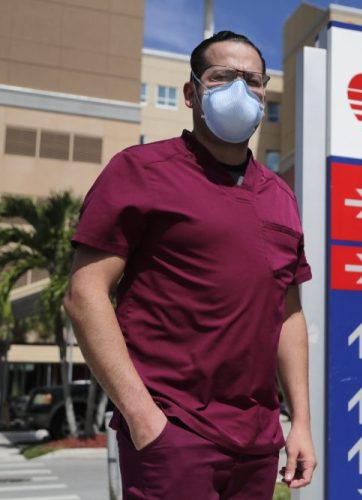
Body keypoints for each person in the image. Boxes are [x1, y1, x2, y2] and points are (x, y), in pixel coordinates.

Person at [63, 31, 316, 499]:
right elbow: (85, 295)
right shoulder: (140, 171)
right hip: (174, 431)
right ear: (191, 92)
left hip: (259, 440)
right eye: (222, 77)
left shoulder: (280, 196)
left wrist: (300, 421)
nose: (240, 90)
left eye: (252, 80)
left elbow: (289, 314)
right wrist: (144, 418)